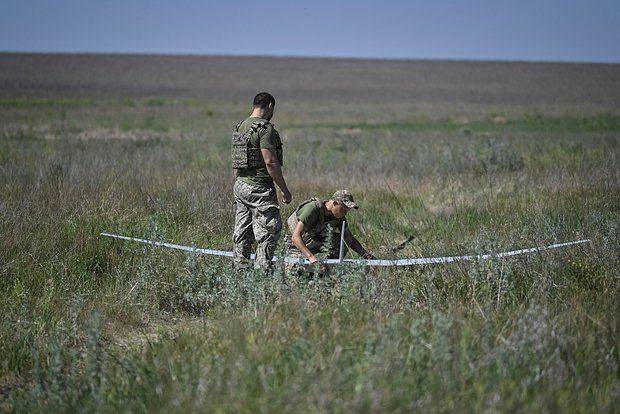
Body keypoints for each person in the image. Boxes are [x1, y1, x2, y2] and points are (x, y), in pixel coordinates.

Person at [231, 92, 292, 270]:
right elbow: (270, 162)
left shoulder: (240, 126)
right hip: (260, 188)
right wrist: (284, 189)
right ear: (270, 106)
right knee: (269, 232)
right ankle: (261, 274)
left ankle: (240, 271)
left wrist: (238, 183)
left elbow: (237, 160)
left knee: (242, 231)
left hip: (241, 185)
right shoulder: (265, 129)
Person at [286, 190, 375, 273]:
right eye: (343, 209)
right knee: (296, 272)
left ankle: (328, 270)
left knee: (344, 240)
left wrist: (366, 256)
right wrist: (311, 258)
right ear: (335, 203)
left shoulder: (339, 218)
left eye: (347, 211)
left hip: (313, 242)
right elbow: (295, 237)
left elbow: (349, 239)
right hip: (297, 245)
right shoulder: (313, 208)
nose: (345, 213)